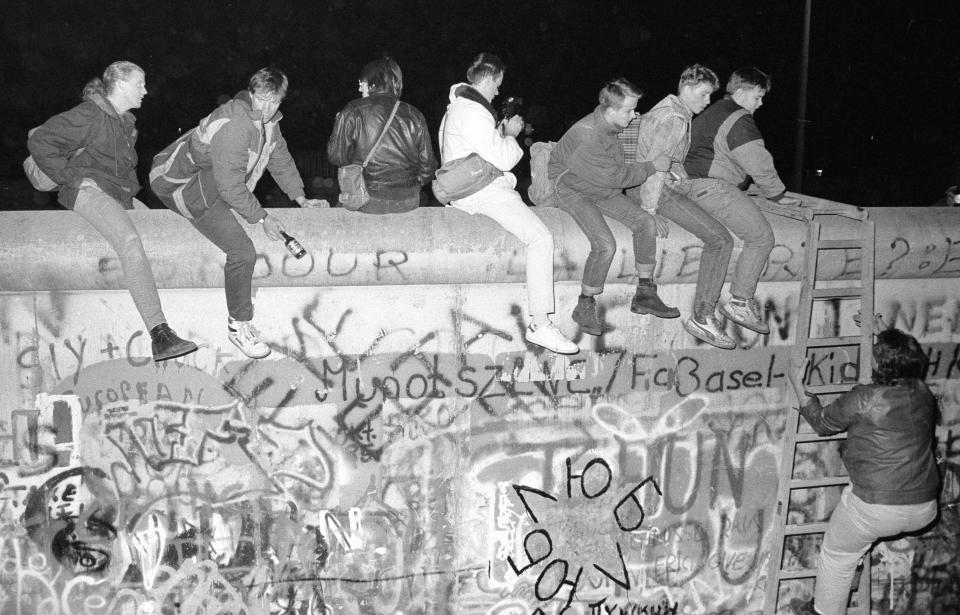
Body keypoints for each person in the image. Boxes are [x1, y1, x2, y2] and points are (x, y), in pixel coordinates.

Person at [150, 67, 327, 359]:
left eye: (275, 101)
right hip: (180, 184)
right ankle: (238, 325)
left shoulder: (269, 123)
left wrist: (301, 198)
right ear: (252, 92)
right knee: (243, 252)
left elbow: (279, 158)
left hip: (211, 180)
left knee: (235, 198)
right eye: (262, 99)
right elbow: (230, 187)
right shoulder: (236, 123)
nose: (268, 108)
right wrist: (261, 217)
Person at [28, 61, 197, 363]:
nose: (146, 90)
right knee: (129, 241)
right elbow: (40, 141)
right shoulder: (90, 114)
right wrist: (73, 177)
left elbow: (120, 172)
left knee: (166, 227)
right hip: (88, 193)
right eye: (140, 84)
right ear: (120, 83)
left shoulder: (125, 123)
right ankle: (159, 333)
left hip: (120, 196)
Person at [790, 328, 940, 615]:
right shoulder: (923, 393)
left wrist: (798, 384)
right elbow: (901, 356)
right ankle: (836, 592)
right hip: (924, 506)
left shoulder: (864, 397)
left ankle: (822, 611)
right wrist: (880, 326)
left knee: (837, 556)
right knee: (852, 546)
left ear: (878, 364)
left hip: (877, 507)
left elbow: (822, 423)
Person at [439, 53, 577, 354]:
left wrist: (499, 132)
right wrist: (512, 136)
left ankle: (541, 323)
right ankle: (540, 323)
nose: (498, 91)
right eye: (498, 85)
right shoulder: (474, 111)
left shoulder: (458, 108)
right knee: (540, 238)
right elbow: (503, 159)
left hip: (467, 191)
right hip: (482, 192)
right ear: (489, 79)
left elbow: (481, 147)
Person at [620, 65, 737, 349]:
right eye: (704, 93)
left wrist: (678, 172)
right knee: (721, 240)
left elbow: (659, 158)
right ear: (687, 86)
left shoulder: (667, 109)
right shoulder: (675, 118)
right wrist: (648, 213)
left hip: (641, 187)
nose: (707, 101)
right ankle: (704, 316)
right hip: (653, 193)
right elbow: (656, 169)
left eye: (711, 95)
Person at [548, 78, 676, 336]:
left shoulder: (610, 125)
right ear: (611, 109)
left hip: (602, 186)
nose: (634, 115)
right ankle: (584, 304)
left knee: (645, 222)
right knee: (605, 244)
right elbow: (617, 177)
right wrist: (654, 166)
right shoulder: (587, 136)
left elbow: (613, 174)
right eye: (629, 110)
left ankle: (645, 293)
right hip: (573, 189)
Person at [683, 67, 801, 337]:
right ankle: (739, 302)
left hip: (691, 186)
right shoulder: (738, 118)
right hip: (712, 187)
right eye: (758, 97)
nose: (760, 104)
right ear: (740, 92)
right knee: (761, 237)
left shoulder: (713, 112)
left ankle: (711, 312)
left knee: (725, 239)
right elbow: (757, 160)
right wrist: (777, 195)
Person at [327, 56, 437, 214]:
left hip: (365, 198)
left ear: (372, 83)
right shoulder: (414, 114)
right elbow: (428, 168)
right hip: (407, 201)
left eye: (361, 83)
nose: (359, 89)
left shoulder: (353, 110)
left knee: (338, 219)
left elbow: (336, 157)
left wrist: (338, 124)